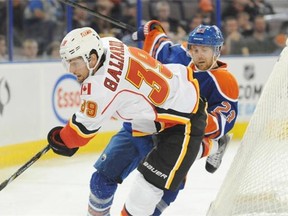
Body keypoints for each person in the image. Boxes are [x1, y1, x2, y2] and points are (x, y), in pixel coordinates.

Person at [47, 26, 207, 215]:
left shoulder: (100, 88)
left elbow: (79, 135)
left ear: (91, 58)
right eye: (67, 63)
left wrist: (59, 139)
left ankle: (211, 144)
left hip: (183, 122)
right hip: (145, 121)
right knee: (101, 181)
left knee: (146, 198)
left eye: (74, 63)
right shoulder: (108, 43)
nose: (71, 70)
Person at [88, 21, 239, 216]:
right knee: (100, 181)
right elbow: (158, 39)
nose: (199, 54)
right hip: (140, 127)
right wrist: (150, 29)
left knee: (159, 199)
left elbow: (223, 120)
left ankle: (214, 145)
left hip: (174, 141)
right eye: (195, 49)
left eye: (205, 50)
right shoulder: (177, 56)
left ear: (217, 51)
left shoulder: (224, 82)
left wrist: (194, 121)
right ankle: (215, 146)